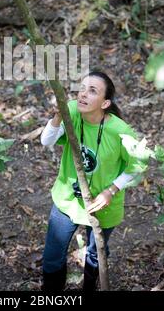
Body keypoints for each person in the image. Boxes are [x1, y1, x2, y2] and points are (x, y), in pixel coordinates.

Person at [40, 70, 144, 292]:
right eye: (82, 88)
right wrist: (57, 117)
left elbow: (138, 165)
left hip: (102, 204)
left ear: (105, 103)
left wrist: (111, 190)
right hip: (68, 199)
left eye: (92, 91)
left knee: (95, 257)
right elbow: (46, 140)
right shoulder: (71, 111)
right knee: (51, 258)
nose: (83, 94)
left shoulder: (120, 131)